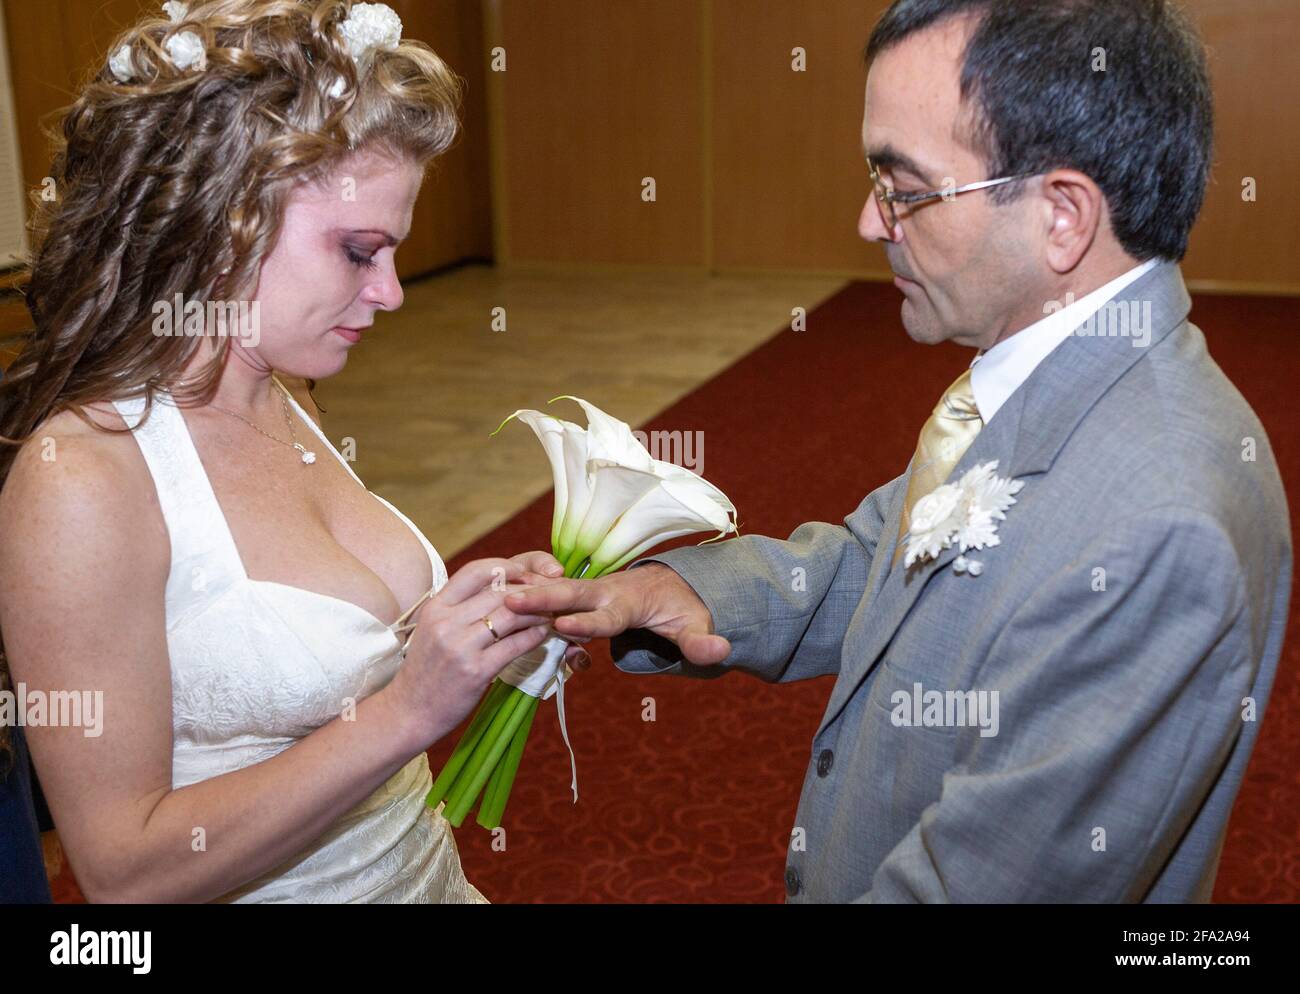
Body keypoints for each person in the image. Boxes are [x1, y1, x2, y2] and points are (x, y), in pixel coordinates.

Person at [507, 0, 1293, 902]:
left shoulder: (1157, 528)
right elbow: (896, 560)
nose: (870, 224)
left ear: (1063, 216)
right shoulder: (1050, 375)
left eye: (905, 187)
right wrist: (682, 589)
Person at [0, 0, 577, 903]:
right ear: (220, 223)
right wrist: (410, 710)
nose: (389, 292)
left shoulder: (285, 387)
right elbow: (122, 873)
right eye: (358, 251)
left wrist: (466, 626)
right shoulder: (82, 478)